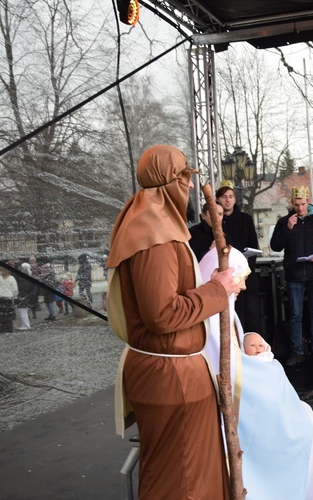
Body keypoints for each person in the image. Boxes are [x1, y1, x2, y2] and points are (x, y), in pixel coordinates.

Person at [106, 145, 236, 499]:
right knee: (181, 480)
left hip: (172, 373)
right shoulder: (154, 236)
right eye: (183, 177)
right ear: (167, 181)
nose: (191, 186)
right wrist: (217, 290)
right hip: (171, 379)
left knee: (186, 472)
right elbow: (162, 315)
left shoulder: (151, 225)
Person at [199, 247, 313, 500]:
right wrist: (266, 367)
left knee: (303, 413)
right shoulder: (210, 317)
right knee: (299, 425)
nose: (242, 288)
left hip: (247, 394)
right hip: (237, 408)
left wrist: (257, 350)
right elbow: (226, 369)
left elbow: (236, 351)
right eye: (239, 280)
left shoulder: (224, 309)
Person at [269, 185, 313, 366]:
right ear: (291, 203)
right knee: (295, 314)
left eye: (303, 204)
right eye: (296, 205)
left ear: (308, 202)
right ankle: (297, 351)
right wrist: (287, 228)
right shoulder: (284, 222)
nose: (300, 208)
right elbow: (276, 246)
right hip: (294, 274)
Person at [217, 180, 262, 333]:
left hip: (246, 274)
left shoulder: (245, 219)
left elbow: (254, 246)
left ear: (235, 199)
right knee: (232, 315)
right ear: (218, 199)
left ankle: (254, 348)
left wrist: (247, 270)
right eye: (224, 197)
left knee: (252, 314)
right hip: (225, 276)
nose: (227, 200)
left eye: (230, 196)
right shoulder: (215, 222)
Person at [0, 266, 18, 333]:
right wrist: (14, 297)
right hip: (8, 298)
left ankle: (1, 329)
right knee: (8, 315)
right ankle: (9, 328)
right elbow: (15, 290)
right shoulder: (11, 278)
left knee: (0, 315)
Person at [15, 262, 34, 331]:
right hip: (25, 295)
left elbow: (23, 287)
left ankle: (26, 325)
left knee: (22, 311)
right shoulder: (29, 274)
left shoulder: (23, 277)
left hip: (22, 295)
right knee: (24, 310)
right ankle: (26, 324)